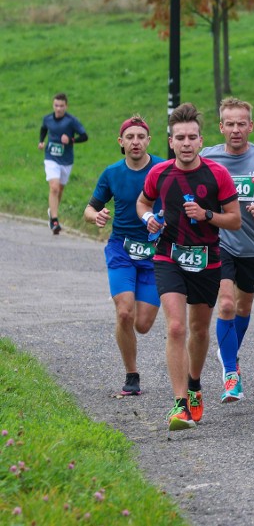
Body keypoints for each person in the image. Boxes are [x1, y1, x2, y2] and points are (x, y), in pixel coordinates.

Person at [137, 103, 242, 431]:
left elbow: (235, 221)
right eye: (179, 137)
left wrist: (207, 215)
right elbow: (143, 202)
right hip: (169, 255)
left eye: (191, 137)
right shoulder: (159, 173)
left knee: (198, 329)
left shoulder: (217, 174)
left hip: (207, 259)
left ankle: (195, 385)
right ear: (170, 142)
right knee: (177, 328)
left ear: (200, 141)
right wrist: (148, 218)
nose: (185, 143)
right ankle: (180, 404)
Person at [200, 98, 254, 404]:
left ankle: (227, 352)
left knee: (243, 309)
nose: (235, 130)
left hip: (253, 245)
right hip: (219, 242)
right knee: (227, 306)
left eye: (241, 124)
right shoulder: (208, 157)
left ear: (251, 126)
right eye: (229, 124)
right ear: (221, 127)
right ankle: (231, 374)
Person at [84, 115, 164, 396]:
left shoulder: (163, 169)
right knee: (125, 313)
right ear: (121, 142)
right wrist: (98, 216)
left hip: (155, 254)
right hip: (121, 248)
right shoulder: (112, 173)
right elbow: (89, 209)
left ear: (148, 141)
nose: (135, 142)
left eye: (140, 137)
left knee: (142, 324)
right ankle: (132, 375)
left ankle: (129, 313)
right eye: (130, 137)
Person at [39, 93, 88, 234]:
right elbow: (44, 129)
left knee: (60, 189)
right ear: (53, 105)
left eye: (61, 106)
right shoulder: (47, 119)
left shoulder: (71, 121)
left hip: (66, 161)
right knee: (54, 187)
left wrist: (71, 140)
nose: (58, 108)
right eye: (56, 105)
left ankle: (52, 211)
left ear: (66, 106)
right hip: (50, 158)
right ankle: (54, 220)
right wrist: (41, 141)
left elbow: (84, 136)